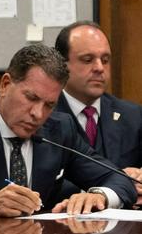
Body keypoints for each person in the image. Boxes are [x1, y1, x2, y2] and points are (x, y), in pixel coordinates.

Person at [0, 43, 136, 220]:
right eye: (31, 98)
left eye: (49, 104)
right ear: (5, 84)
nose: (38, 114)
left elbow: (119, 179)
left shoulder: (59, 129)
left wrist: (99, 196)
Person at [54, 21, 142, 203]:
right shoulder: (42, 117)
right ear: (61, 65)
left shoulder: (133, 116)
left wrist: (138, 178)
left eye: (105, 60)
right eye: (87, 60)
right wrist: (114, 182)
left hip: (125, 227)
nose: (99, 68)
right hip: (61, 223)